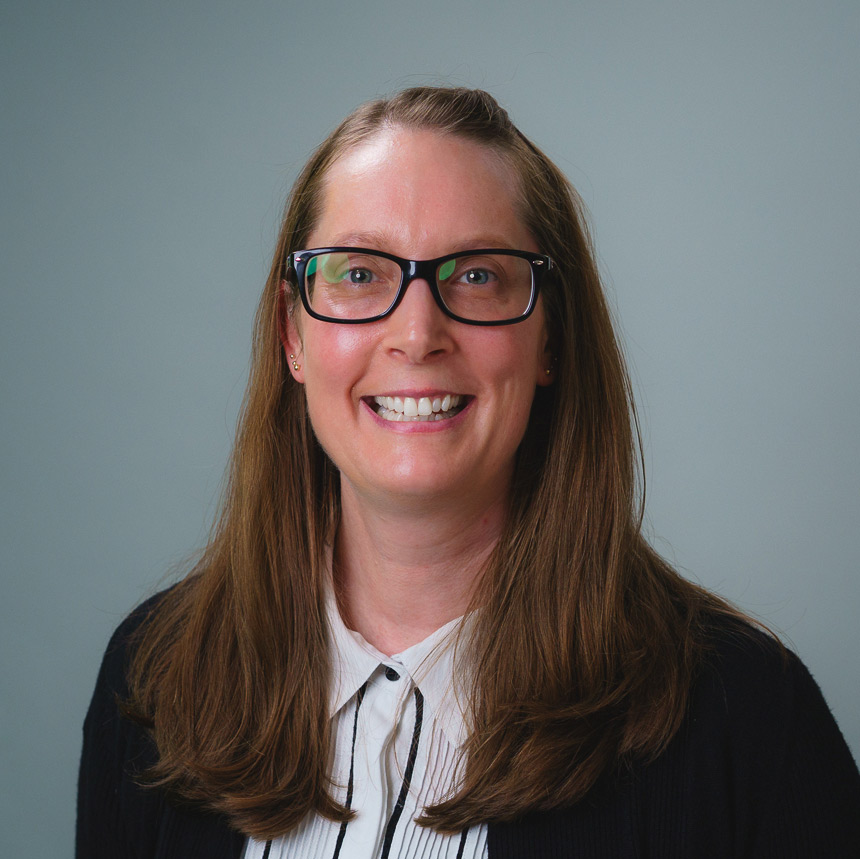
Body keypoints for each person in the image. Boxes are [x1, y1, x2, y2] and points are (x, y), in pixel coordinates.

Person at [76, 87, 860, 858]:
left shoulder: (748, 718)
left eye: (478, 274)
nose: (417, 333)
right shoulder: (156, 680)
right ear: (293, 333)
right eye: (360, 274)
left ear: (551, 336)